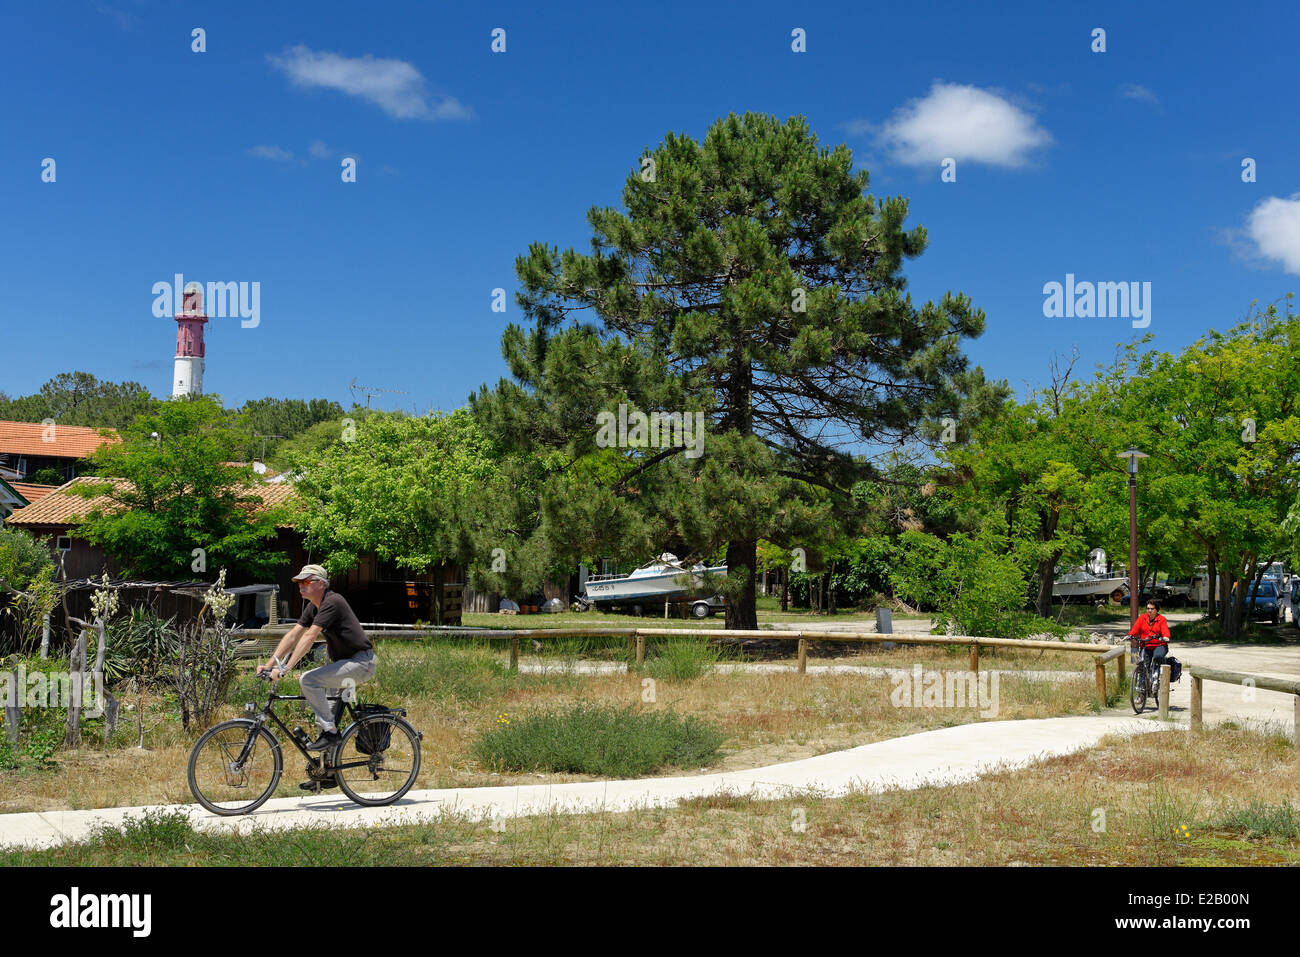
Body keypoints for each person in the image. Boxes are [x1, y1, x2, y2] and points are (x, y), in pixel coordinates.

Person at [256, 564, 377, 758]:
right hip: (341, 666)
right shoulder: (314, 607)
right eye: (298, 583)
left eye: (305, 581)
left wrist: (285, 669)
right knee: (325, 719)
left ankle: (331, 734)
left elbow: (310, 636)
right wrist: (269, 665)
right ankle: (326, 771)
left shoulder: (332, 602)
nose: (300, 586)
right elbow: (293, 635)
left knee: (308, 680)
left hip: (360, 663)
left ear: (321, 583)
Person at [1127, 599, 1170, 684]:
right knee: (1142, 666)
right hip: (1146, 645)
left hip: (1159, 645)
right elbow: (1135, 629)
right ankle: (1142, 693)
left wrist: (1165, 637)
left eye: (1152, 609)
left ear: (1156, 610)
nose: (1149, 610)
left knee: (1157, 656)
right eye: (1148, 608)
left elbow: (1165, 630)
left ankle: (1160, 673)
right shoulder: (1142, 618)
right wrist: (1130, 635)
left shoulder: (1161, 619)